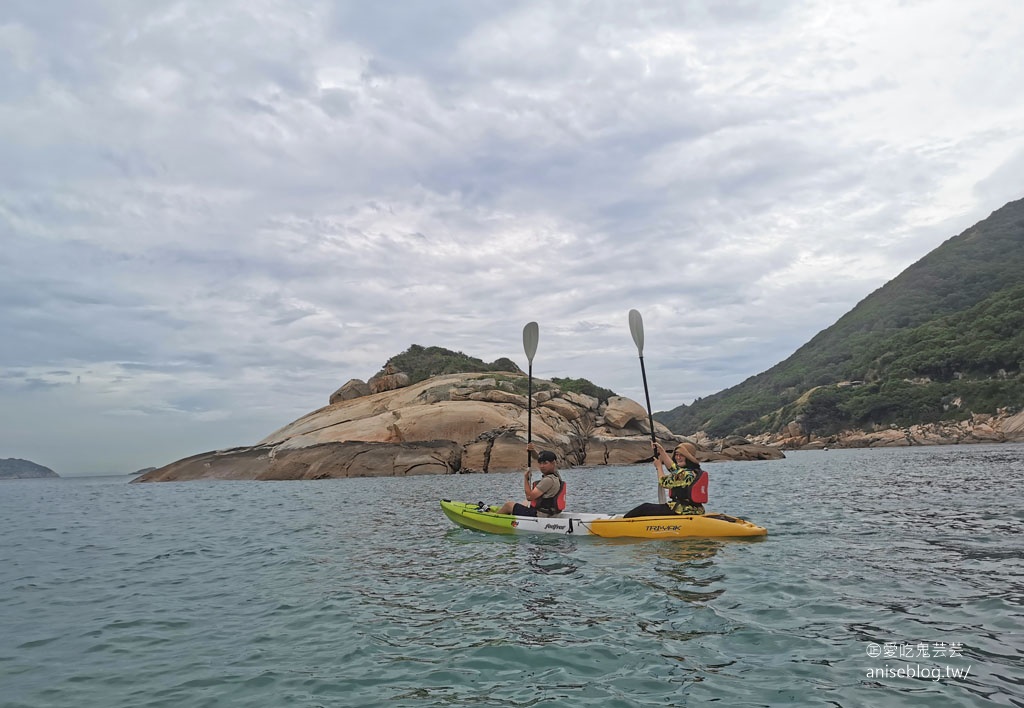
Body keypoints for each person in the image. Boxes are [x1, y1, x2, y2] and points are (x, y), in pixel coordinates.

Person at [623, 441, 707, 518]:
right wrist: (661, 451)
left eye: (681, 455)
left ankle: (622, 522)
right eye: (676, 454)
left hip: (682, 510)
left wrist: (659, 467)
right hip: (696, 510)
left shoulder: (685, 474)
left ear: (688, 458)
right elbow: (673, 468)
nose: (678, 457)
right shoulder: (693, 471)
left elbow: (663, 482)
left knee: (645, 507)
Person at [496, 443, 566, 517]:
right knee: (525, 503)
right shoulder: (556, 475)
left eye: (545, 463)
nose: (542, 466)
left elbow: (529, 497)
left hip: (541, 515)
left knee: (508, 505)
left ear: (553, 463)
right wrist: (532, 451)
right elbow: (539, 458)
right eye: (540, 463)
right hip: (552, 513)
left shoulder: (548, 480)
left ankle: (494, 519)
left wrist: (526, 479)